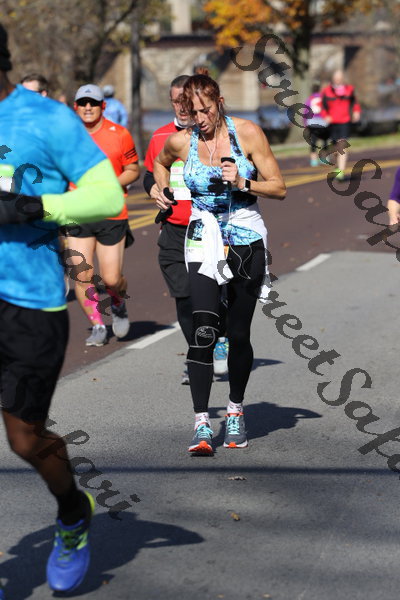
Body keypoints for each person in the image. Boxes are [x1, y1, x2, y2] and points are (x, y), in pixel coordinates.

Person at [0, 23, 123, 595]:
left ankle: (73, 511)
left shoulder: (45, 118)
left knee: (25, 440)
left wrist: (27, 207)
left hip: (28, 300)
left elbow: (107, 195)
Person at [153, 70, 286, 455]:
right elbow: (159, 164)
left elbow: (279, 187)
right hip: (203, 235)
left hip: (245, 236)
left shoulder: (248, 133)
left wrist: (243, 182)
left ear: (219, 102)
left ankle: (235, 410)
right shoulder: (181, 141)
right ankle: (200, 423)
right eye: (193, 112)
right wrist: (160, 188)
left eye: (206, 110)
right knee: (203, 330)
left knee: (239, 333)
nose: (200, 119)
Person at [144, 75, 229, 384]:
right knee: (184, 297)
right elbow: (150, 172)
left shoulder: (215, 135)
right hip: (175, 228)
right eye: (176, 101)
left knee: (215, 293)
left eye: (186, 101)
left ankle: (219, 339)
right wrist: (154, 190)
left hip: (211, 228)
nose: (182, 107)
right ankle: (198, 352)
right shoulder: (160, 137)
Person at [64, 84, 140, 346]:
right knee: (82, 275)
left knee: (111, 279)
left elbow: (133, 169)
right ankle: (97, 325)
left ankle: (117, 302)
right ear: (76, 107)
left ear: (103, 106)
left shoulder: (119, 134)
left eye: (93, 103)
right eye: (83, 103)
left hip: (111, 213)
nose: (88, 107)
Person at [320, 69, 361, 181]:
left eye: (340, 78)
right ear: (333, 79)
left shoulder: (349, 89)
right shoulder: (327, 91)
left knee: (342, 145)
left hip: (344, 121)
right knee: (336, 149)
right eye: (336, 78)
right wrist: (325, 116)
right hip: (332, 123)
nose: (338, 80)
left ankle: (341, 171)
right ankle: (338, 167)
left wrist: (356, 112)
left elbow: (355, 103)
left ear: (343, 78)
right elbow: (322, 106)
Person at [304, 82, 329, 167]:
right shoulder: (323, 98)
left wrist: (305, 122)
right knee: (324, 140)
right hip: (323, 122)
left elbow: (306, 111)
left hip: (312, 122)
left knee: (313, 142)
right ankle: (324, 158)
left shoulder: (310, 99)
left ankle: (313, 160)